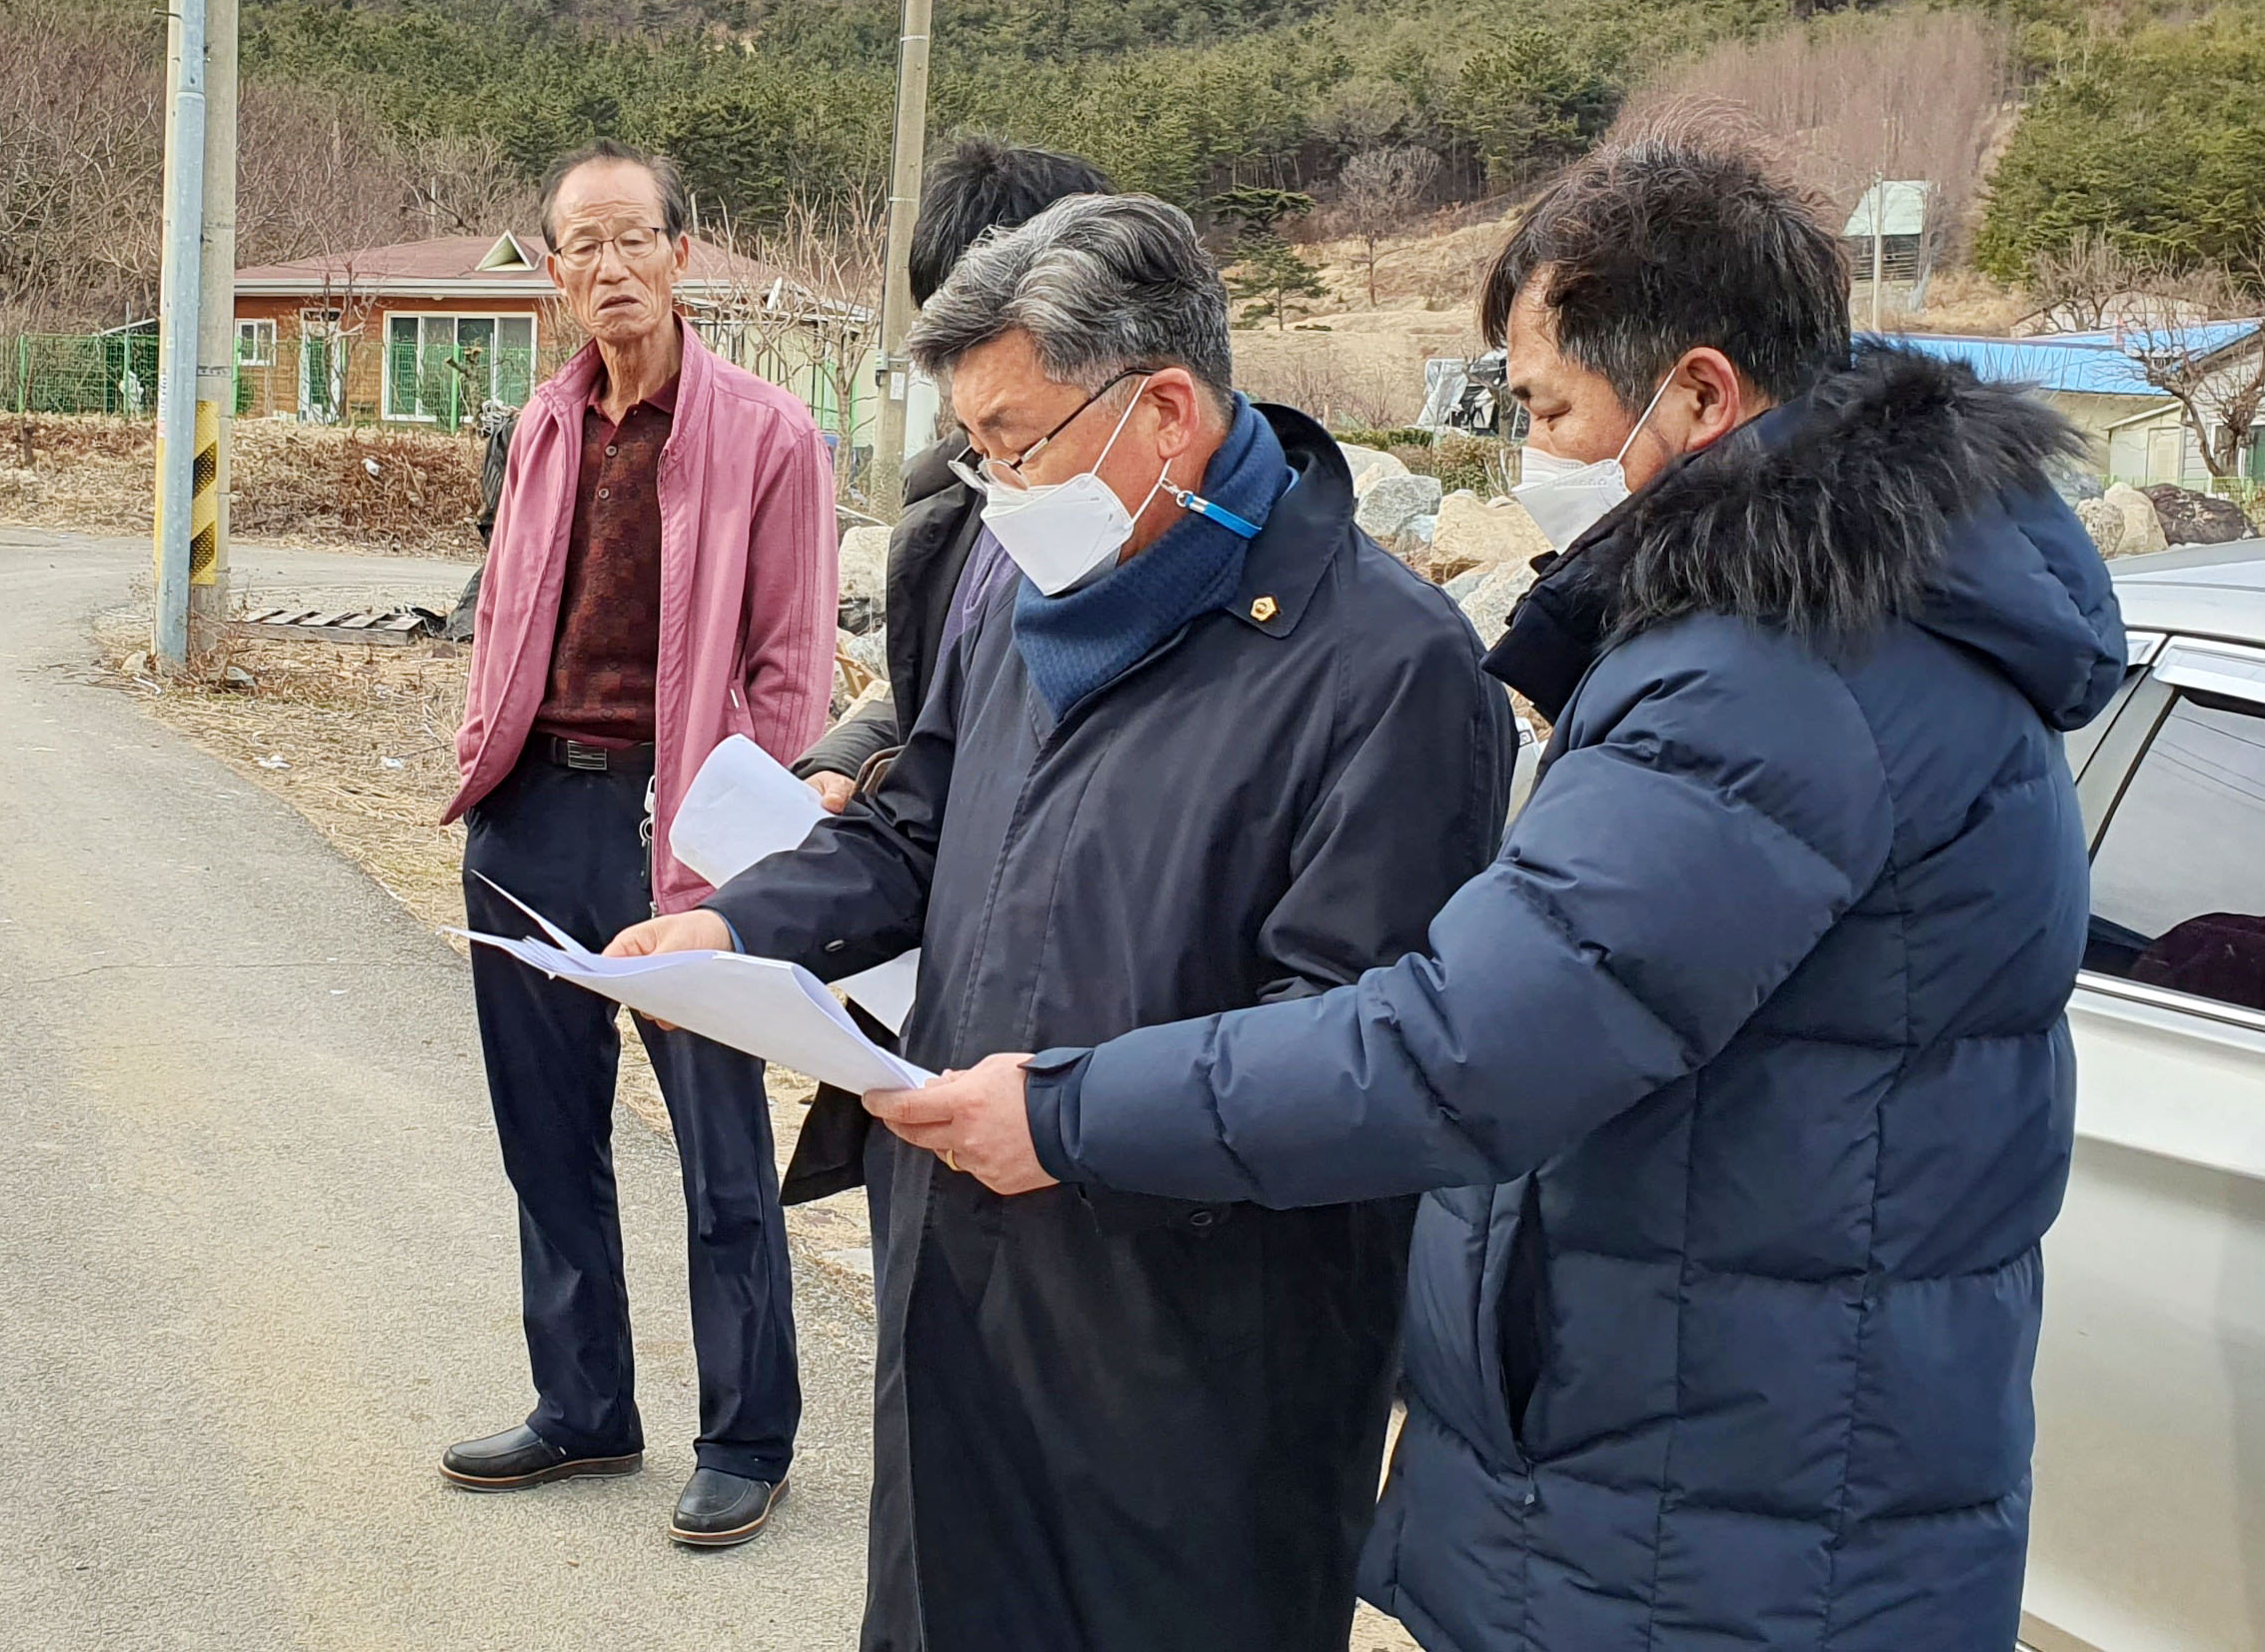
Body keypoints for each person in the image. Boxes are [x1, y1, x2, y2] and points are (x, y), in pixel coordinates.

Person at [893, 140, 2129, 1650]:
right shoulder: (1805, 627)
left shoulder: (1772, 673)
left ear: (1692, 393)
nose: (1527, 447)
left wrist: (1066, 1108)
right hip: (1714, 1436)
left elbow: (1464, 1041)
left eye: (1545, 406)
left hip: (1716, 1493)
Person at [608, 193, 1516, 1651]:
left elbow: (1359, 1051)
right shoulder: (1028, 598)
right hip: (963, 1284)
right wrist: (743, 931)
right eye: (973, 445)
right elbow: (918, 827)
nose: (990, 481)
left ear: (1161, 410)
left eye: (1016, 441)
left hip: (1197, 1358)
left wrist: (1071, 1117)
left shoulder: (1391, 673)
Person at [437, 140, 836, 1549]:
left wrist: (756, 841)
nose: (606, 268)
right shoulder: (539, 424)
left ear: (679, 250)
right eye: (578, 246)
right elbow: (505, 608)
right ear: (550, 270)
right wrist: (482, 763)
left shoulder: (771, 434)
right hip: (531, 808)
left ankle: (747, 1432)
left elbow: (792, 663)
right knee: (545, 1136)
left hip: (684, 824)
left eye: (630, 240)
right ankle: (584, 1402)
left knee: (719, 1145)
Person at [782, 137, 1114, 1208]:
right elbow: (935, 707)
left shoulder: (1148, 524)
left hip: (1088, 1069)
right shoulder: (953, 515)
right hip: (933, 1012)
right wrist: (842, 765)